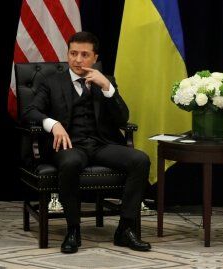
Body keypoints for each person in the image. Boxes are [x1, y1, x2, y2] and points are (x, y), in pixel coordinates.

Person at [23, 31, 151, 254]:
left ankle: (125, 229)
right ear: (68, 54)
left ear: (94, 57)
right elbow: (30, 111)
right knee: (70, 163)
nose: (78, 60)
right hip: (68, 146)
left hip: (101, 144)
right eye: (73, 53)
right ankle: (73, 230)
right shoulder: (51, 81)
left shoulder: (105, 81)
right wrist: (52, 124)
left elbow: (122, 118)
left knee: (140, 159)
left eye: (84, 54)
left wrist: (108, 89)